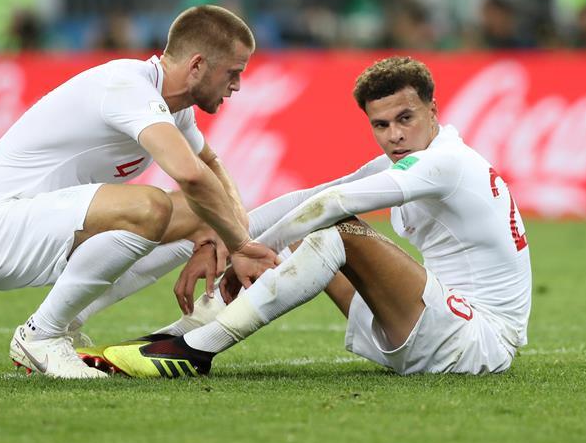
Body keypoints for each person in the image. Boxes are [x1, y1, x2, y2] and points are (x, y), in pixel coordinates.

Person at [92, 56, 532, 378]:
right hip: (430, 330)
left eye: (405, 118)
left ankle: (195, 351)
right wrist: (228, 240)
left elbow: (336, 205)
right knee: (307, 232)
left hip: (478, 341)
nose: (394, 134)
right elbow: (310, 197)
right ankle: (176, 334)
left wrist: (249, 251)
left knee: (336, 230)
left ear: (433, 111)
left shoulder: (447, 162)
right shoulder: (409, 160)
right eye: (380, 125)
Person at [0, 5, 278, 379]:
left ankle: (62, 322)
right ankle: (41, 335)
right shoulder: (127, 86)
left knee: (202, 214)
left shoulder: (176, 110)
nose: (237, 86)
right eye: (233, 73)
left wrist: (218, 241)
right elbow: (191, 176)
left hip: (43, 225)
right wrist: (240, 245)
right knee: (152, 206)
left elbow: (212, 166)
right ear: (197, 66)